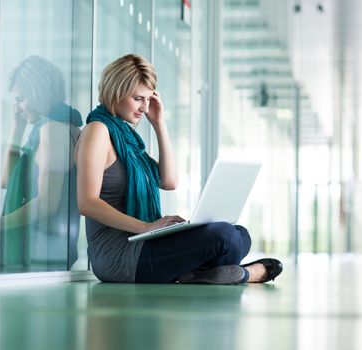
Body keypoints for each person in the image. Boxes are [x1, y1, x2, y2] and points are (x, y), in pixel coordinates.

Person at [75, 53, 282, 284]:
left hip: (145, 242)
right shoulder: (97, 131)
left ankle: (200, 275)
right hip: (119, 255)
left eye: (148, 99)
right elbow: (87, 202)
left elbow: (169, 181)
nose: (144, 108)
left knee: (240, 234)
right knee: (225, 238)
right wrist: (147, 226)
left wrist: (159, 123)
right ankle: (242, 274)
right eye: (138, 99)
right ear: (116, 92)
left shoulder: (128, 139)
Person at [0, 55, 82, 271]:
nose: (16, 107)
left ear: (37, 92)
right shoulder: (48, 128)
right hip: (41, 252)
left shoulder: (53, 130)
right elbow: (6, 180)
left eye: (20, 99)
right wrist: (16, 128)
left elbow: (47, 204)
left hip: (41, 253)